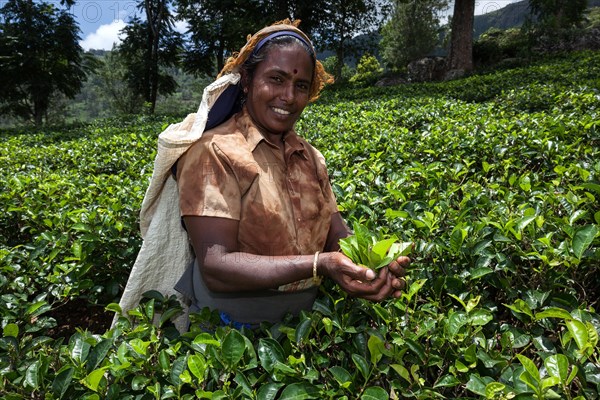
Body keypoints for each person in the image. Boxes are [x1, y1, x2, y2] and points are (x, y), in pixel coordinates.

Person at [170, 19, 410, 328]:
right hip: (230, 332)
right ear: (247, 81)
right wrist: (318, 264)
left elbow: (336, 236)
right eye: (276, 79)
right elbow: (217, 266)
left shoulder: (310, 156)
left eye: (300, 86)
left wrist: (372, 263)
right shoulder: (215, 152)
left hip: (304, 326)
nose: (288, 96)